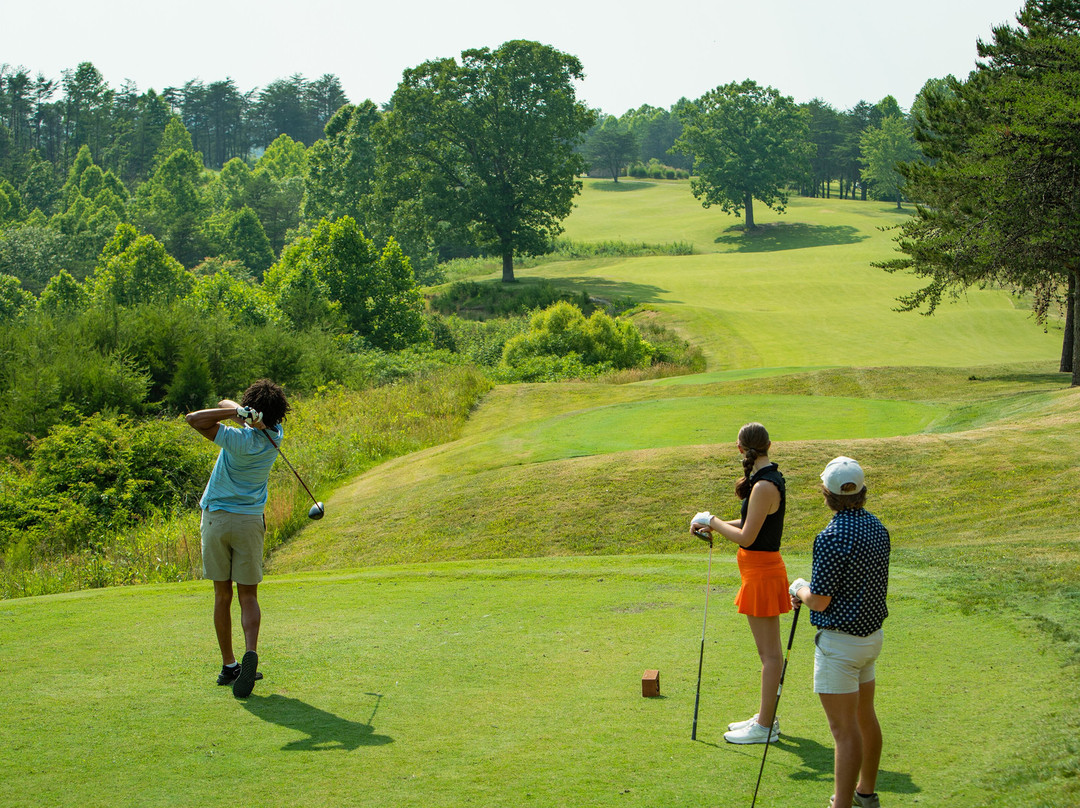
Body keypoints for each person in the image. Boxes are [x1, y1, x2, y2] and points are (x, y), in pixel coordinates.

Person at [789, 456, 890, 808]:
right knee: (866, 718)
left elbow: (818, 600)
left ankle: (841, 805)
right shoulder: (878, 527)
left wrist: (798, 588)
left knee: (844, 732)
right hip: (870, 640)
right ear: (861, 490)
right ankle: (866, 794)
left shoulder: (831, 536)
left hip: (839, 645)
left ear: (826, 494)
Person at [185, 379, 290, 698]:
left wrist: (238, 416)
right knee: (248, 596)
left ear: (253, 408)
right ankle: (250, 651)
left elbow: (195, 419)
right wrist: (246, 416)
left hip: (217, 518)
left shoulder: (236, 439)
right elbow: (226, 401)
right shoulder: (275, 436)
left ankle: (229, 664)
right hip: (249, 522)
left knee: (222, 595)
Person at [690, 422, 792, 744]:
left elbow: (747, 537)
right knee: (769, 655)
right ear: (769, 445)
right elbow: (751, 524)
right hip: (759, 572)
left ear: (740, 449)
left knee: (770, 656)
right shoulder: (763, 480)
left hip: (762, 574)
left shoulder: (764, 485)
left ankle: (764, 727)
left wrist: (713, 521)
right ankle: (766, 719)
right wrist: (714, 526)